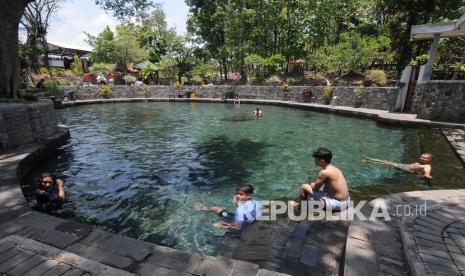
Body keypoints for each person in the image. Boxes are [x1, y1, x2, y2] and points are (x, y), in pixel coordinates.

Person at [196, 184, 261, 230]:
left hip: (240, 224)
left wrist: (221, 225)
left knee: (215, 208)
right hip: (248, 222)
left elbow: (237, 227)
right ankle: (205, 209)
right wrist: (238, 203)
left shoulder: (241, 210)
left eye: (241, 194)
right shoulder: (255, 202)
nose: (238, 196)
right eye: (237, 193)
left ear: (249, 195)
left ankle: (203, 209)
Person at [362, 153, 433, 179]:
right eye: (421, 157)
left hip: (405, 169)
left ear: (429, 160)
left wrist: (427, 175)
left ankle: (369, 161)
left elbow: (427, 171)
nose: (421, 158)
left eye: (424, 158)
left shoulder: (427, 166)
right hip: (404, 166)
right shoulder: (420, 162)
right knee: (386, 161)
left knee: (386, 163)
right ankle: (370, 159)